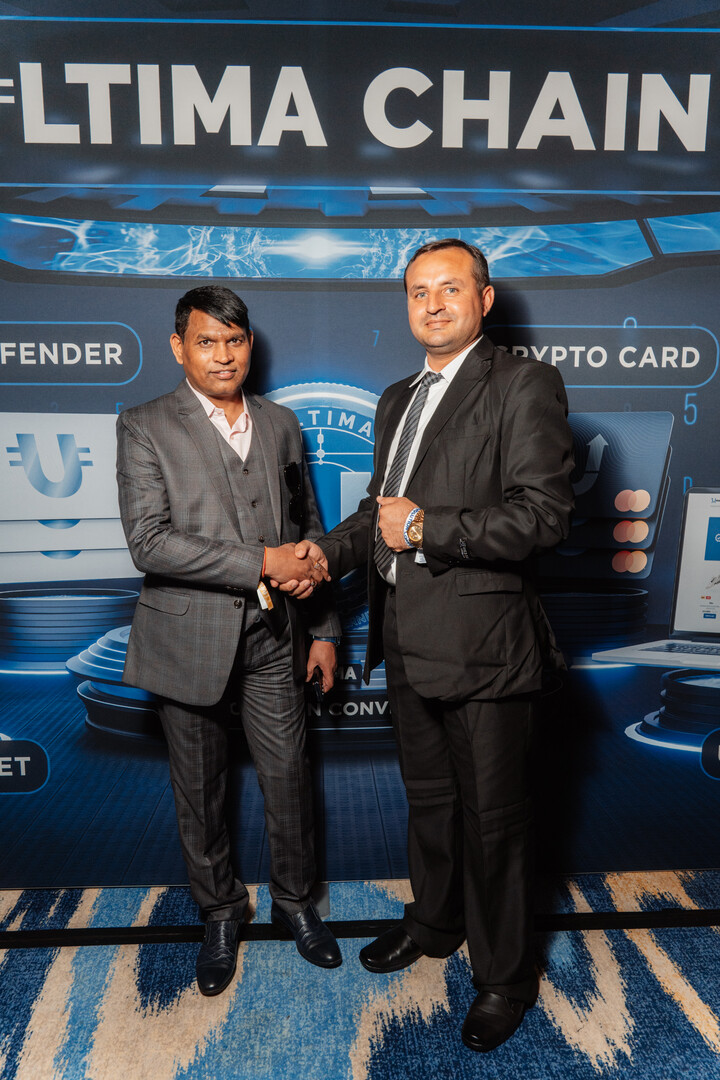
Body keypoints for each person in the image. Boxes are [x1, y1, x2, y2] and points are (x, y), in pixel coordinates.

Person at [298, 239, 574, 1052]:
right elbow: (377, 517)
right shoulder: (398, 399)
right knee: (431, 805)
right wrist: (320, 556)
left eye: (450, 288)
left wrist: (425, 528)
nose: (433, 304)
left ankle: (505, 979)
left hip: (487, 649)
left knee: (495, 823)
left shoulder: (523, 384)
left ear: (484, 300)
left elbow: (542, 518)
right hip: (408, 643)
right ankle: (434, 923)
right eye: (419, 291)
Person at [116, 285, 342, 996]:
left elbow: (308, 526)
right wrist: (261, 563)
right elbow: (149, 542)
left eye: (234, 341)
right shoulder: (144, 424)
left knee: (290, 781)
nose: (223, 355)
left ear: (250, 346)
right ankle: (220, 914)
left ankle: (296, 905)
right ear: (179, 347)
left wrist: (325, 628)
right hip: (186, 642)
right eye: (206, 341)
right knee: (200, 793)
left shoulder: (281, 423)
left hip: (276, 639)